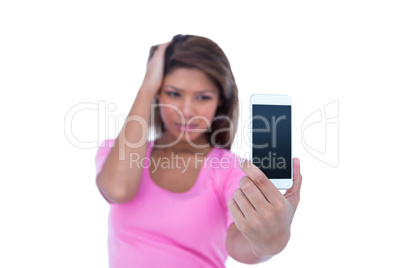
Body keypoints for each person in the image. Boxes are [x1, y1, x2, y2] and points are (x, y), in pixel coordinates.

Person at [94, 34, 302, 268]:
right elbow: (118, 190)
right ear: (157, 94)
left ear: (220, 102)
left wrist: (268, 244)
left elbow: (238, 245)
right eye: (173, 93)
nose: (187, 110)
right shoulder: (118, 152)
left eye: (203, 97)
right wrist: (147, 84)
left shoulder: (229, 169)